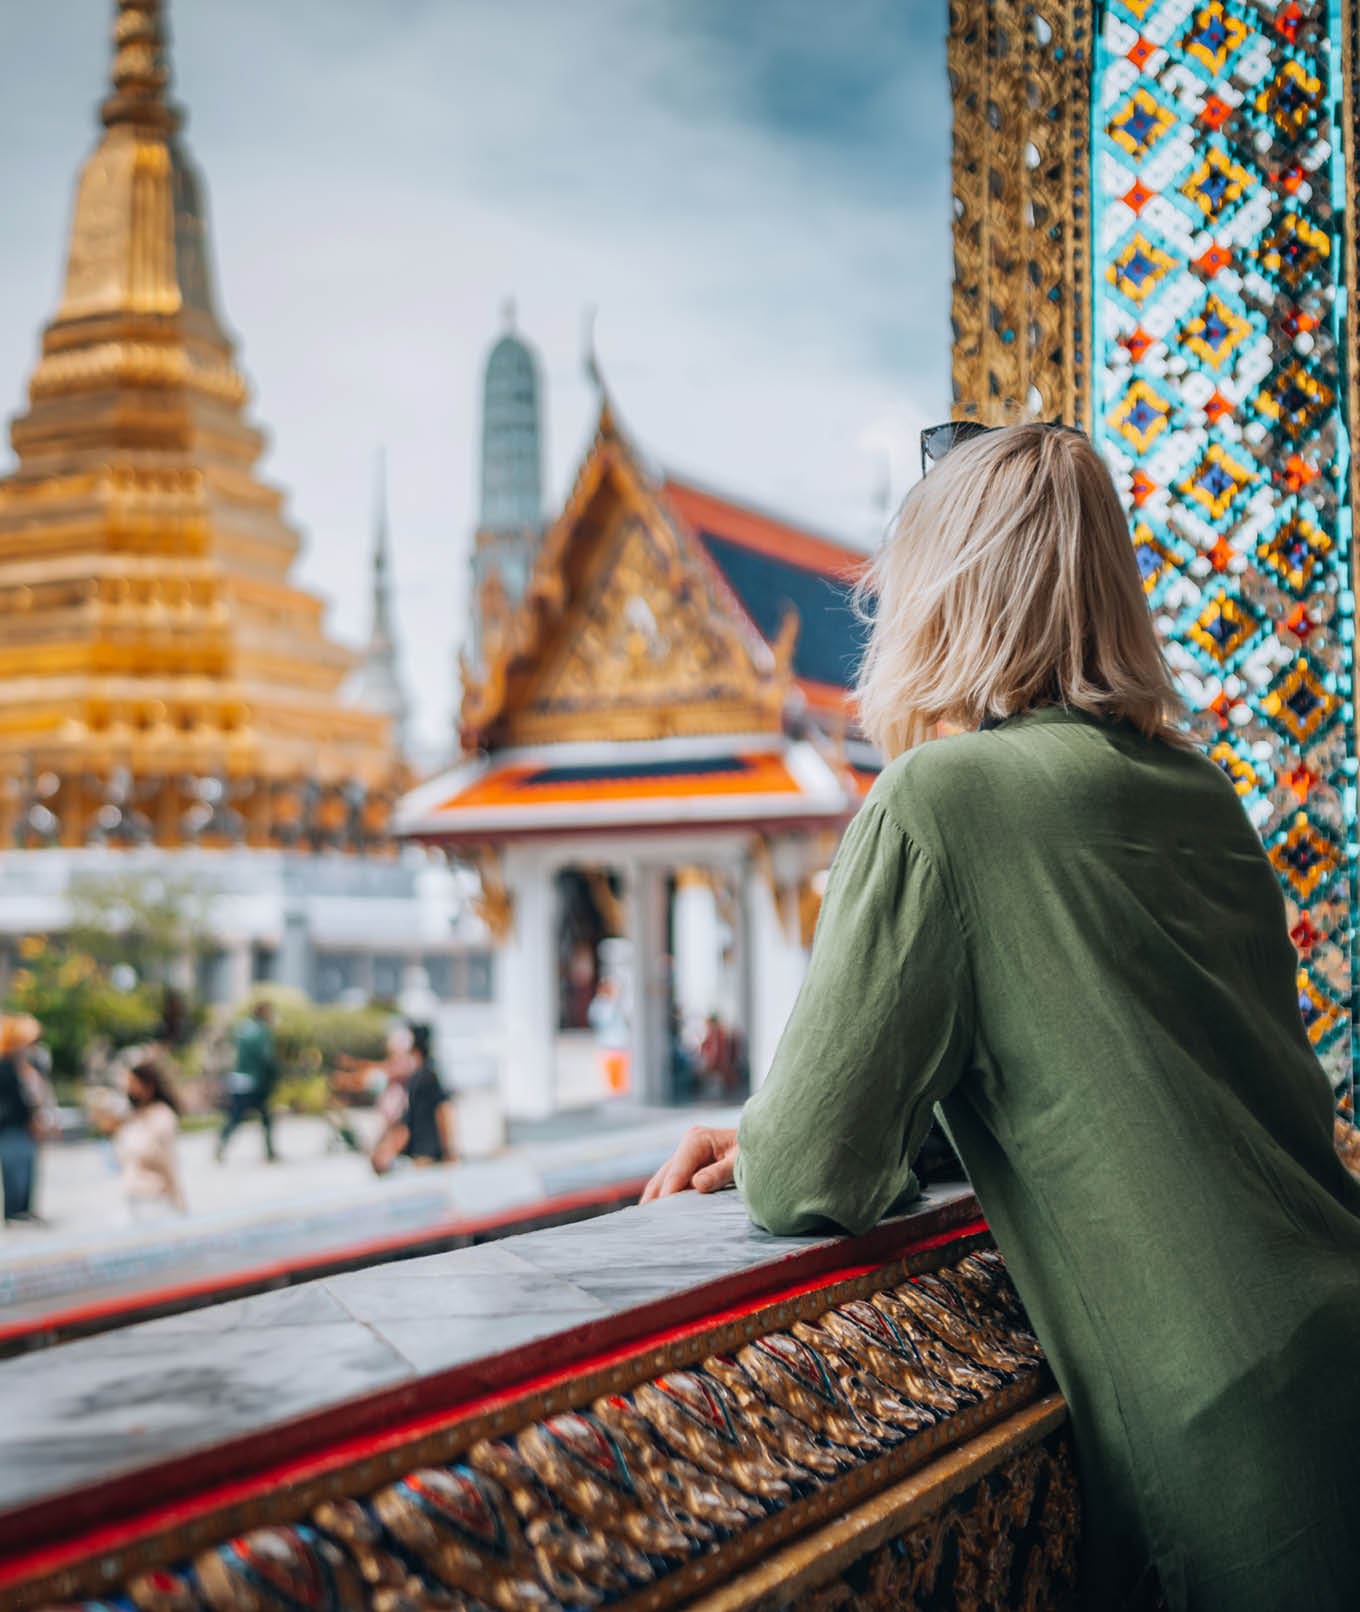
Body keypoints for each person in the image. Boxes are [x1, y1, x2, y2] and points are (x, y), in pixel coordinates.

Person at [642, 420, 1360, 1612]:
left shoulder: (939, 801)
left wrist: (761, 1134)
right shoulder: (1202, 794)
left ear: (940, 596)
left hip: (1237, 1443)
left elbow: (811, 1169)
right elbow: (1109, 1054)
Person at [104, 1059, 185, 1220]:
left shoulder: (162, 1117)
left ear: (147, 1086)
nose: (128, 1089)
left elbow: (167, 1161)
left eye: (133, 1083)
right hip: (132, 1197)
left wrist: (178, 1199)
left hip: (155, 1198)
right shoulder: (132, 1118)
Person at [370, 1023, 454, 1173]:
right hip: (426, 1154)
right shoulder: (426, 1074)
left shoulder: (423, 1077)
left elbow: (441, 1111)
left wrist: (448, 1151)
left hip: (426, 1154)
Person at [215, 999, 280, 1163]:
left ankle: (223, 1144)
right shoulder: (260, 1031)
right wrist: (274, 1075)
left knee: (238, 1115)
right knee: (254, 1115)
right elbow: (265, 1058)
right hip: (254, 1081)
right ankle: (269, 1150)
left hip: (238, 1078)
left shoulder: (242, 1028)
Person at [0, 1016, 42, 1225]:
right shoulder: (4, 1066)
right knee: (13, 1169)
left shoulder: (24, 1065)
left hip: (23, 1126)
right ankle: (14, 1210)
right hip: (9, 1126)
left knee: (26, 1166)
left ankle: (24, 1208)